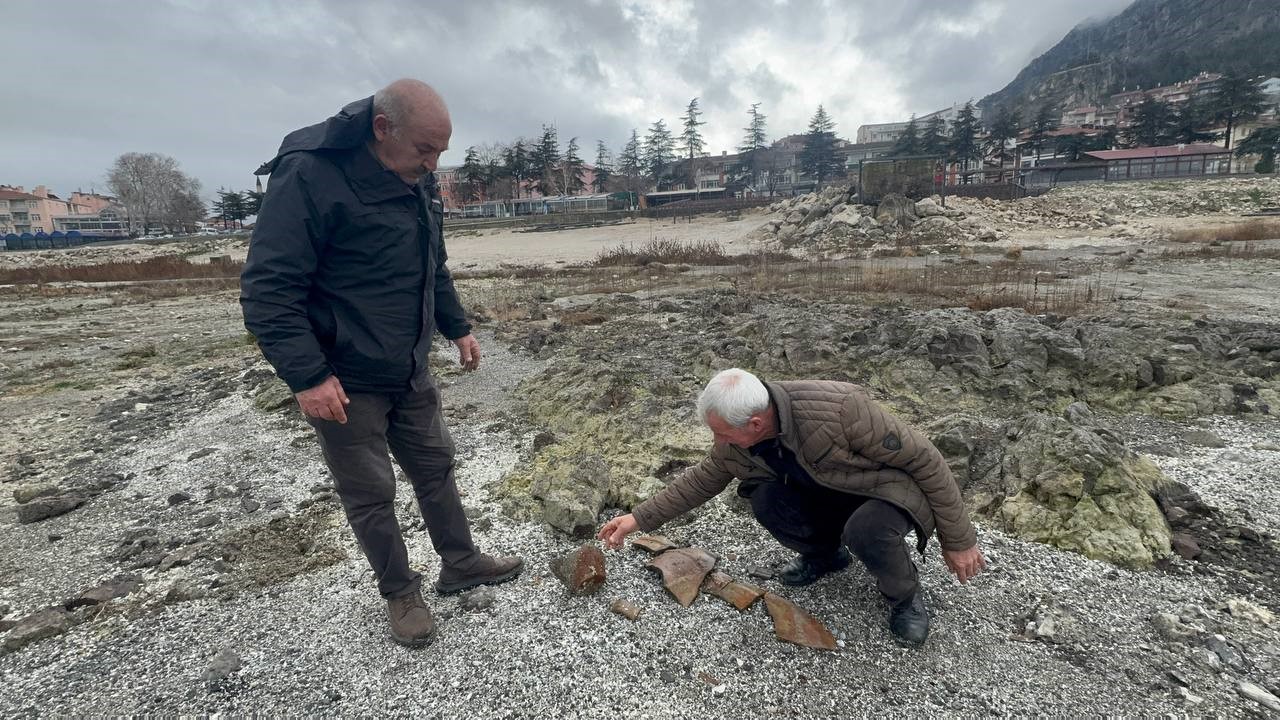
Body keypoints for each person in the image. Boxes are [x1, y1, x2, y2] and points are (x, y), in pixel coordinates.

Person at [241, 79, 522, 647]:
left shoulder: (416, 177)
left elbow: (430, 266)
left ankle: (460, 561)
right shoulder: (309, 175)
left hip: (409, 367)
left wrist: (457, 326)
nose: (434, 163)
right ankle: (400, 592)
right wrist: (308, 376)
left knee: (436, 468)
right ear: (381, 128)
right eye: (425, 149)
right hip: (343, 379)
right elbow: (268, 290)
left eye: (441, 151)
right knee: (370, 494)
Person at [598, 369, 985, 646]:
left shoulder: (841, 409)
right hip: (826, 491)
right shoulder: (736, 443)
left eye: (720, 432)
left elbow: (926, 461)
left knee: (866, 530)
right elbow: (701, 480)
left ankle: (905, 598)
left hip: (884, 491)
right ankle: (826, 556)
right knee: (765, 499)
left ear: (754, 423)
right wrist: (638, 518)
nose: (716, 440)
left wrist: (959, 539)